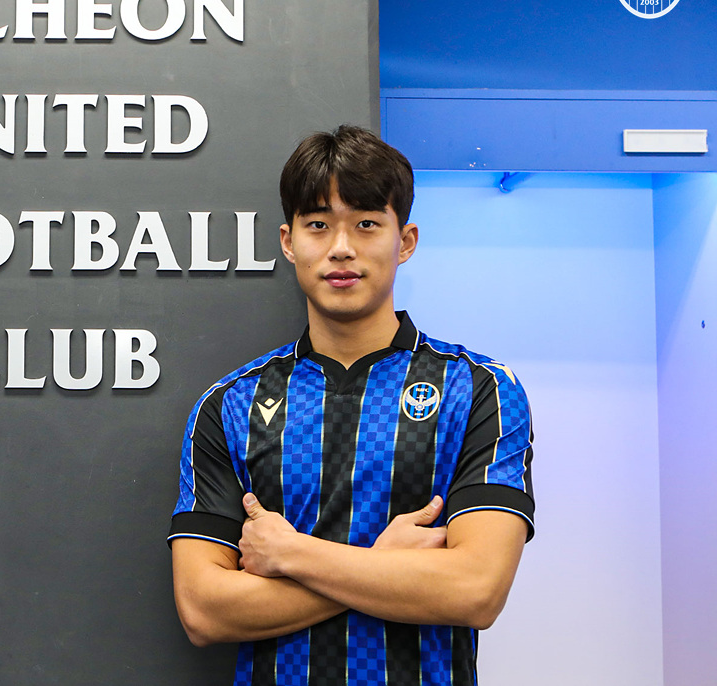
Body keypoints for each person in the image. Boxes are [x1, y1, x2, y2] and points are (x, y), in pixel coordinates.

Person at [168, 126, 534, 686]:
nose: (341, 247)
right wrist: (388, 565)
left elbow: (476, 591)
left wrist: (290, 555)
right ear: (289, 241)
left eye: (366, 223)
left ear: (405, 241)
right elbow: (203, 609)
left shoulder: (480, 390)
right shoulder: (230, 405)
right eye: (318, 225)